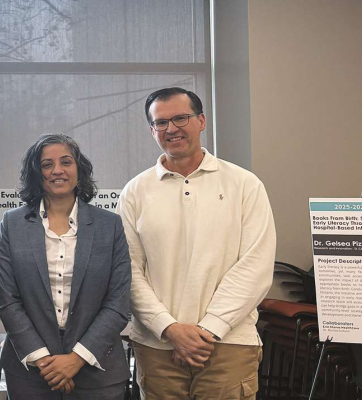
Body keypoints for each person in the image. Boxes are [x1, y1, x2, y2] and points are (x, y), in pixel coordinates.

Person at [120, 87, 276, 399]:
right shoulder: (135, 191)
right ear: (152, 130)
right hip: (157, 345)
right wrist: (170, 329)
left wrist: (208, 330)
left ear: (202, 121)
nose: (171, 129)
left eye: (181, 118)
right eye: (161, 123)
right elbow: (129, 271)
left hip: (229, 343)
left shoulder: (244, 184)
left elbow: (255, 267)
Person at [0, 134, 131, 399]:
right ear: (37, 173)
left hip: (97, 369)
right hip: (31, 372)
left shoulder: (109, 225)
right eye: (47, 164)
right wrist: (47, 363)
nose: (57, 170)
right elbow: (8, 301)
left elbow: (118, 302)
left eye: (66, 162)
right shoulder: (13, 224)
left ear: (79, 170)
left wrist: (76, 359)